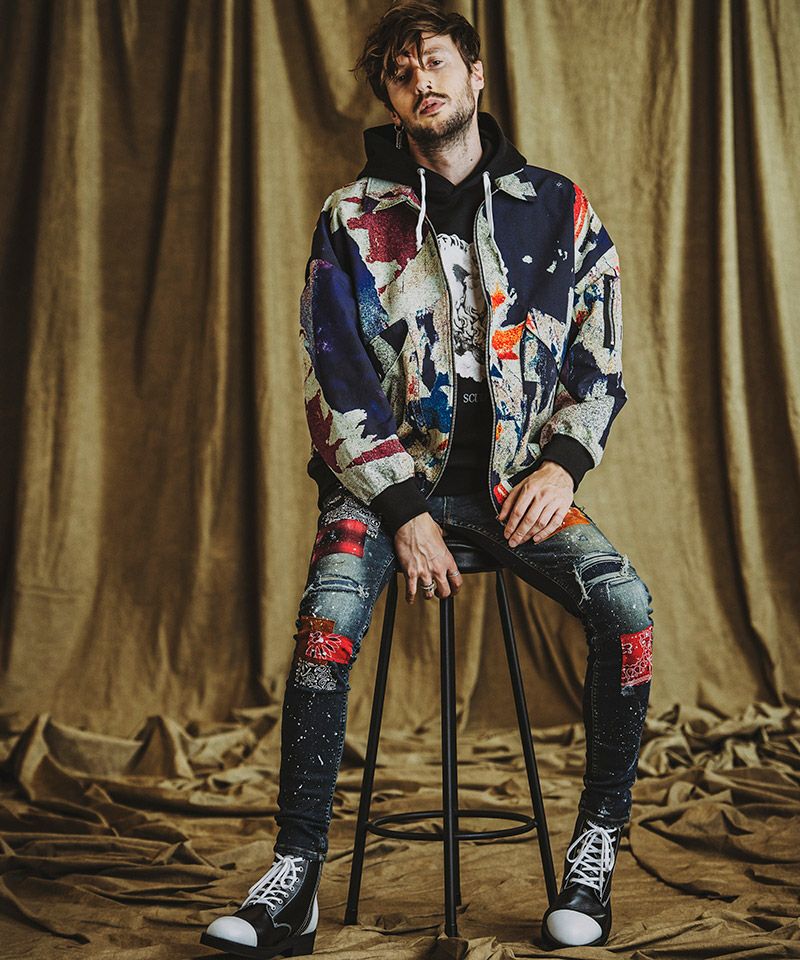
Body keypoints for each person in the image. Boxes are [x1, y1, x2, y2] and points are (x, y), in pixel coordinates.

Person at [201, 1, 654, 956]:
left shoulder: (558, 207)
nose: (422, 83)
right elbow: (336, 378)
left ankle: (596, 850)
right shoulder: (351, 219)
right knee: (326, 621)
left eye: (436, 63)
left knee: (627, 607)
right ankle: (296, 877)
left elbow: (600, 357)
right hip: (381, 491)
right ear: (392, 98)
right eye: (402, 75)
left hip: (511, 490)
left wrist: (564, 463)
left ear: (475, 74)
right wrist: (403, 509)